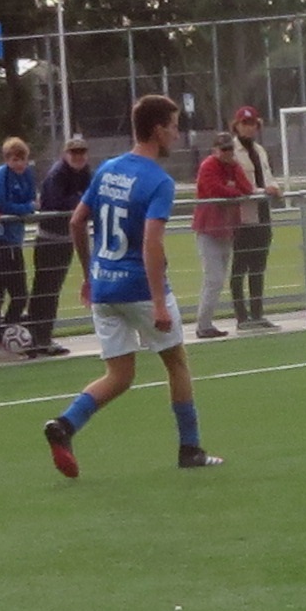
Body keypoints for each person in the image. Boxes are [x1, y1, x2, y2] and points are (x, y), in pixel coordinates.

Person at [41, 92, 217, 475]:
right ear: (157, 130)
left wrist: (89, 275)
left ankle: (65, 425)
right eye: (173, 126)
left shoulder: (108, 169)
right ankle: (190, 449)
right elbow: (152, 242)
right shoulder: (159, 181)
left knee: (119, 375)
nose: (176, 134)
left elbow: (76, 221)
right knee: (177, 363)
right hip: (139, 288)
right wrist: (158, 302)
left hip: (105, 287)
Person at [188, 116, 261, 335]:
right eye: (223, 149)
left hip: (227, 229)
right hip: (208, 229)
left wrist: (237, 188)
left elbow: (247, 188)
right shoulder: (208, 166)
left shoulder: (234, 166)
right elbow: (215, 190)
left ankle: (205, 324)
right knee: (214, 279)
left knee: (217, 279)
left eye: (230, 149)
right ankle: (203, 325)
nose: (227, 153)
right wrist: (235, 192)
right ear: (215, 150)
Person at [22, 131, 87, 348]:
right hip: (50, 239)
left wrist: (80, 202)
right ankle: (37, 337)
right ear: (65, 154)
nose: (78, 156)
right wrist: (79, 201)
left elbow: (90, 197)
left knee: (52, 289)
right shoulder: (57, 174)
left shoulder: (84, 172)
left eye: (81, 152)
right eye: (74, 152)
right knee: (45, 290)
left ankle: (43, 336)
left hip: (65, 238)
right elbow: (54, 202)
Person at [0, 137, 41, 344]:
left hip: (15, 240)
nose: (19, 164)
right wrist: (27, 208)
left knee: (20, 293)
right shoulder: (2, 174)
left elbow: (32, 198)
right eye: (15, 159)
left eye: (22, 159)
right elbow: (2, 205)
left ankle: (9, 330)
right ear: (7, 159)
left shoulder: (28, 174)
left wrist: (28, 206)